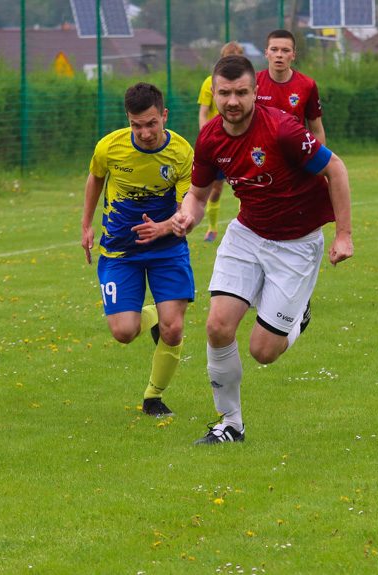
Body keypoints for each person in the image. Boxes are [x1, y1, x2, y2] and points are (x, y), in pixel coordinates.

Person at [172, 55, 353, 445]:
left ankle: (297, 317)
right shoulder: (208, 138)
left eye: (241, 92)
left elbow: (335, 168)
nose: (232, 101)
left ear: (255, 91)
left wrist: (344, 234)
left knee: (263, 351)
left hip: (297, 245)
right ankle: (230, 425)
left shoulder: (283, 129)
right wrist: (188, 215)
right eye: (224, 93)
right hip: (248, 234)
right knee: (217, 327)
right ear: (214, 93)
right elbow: (197, 196)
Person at [81, 82, 195, 417]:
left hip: (168, 248)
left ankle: (153, 397)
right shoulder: (110, 147)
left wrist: (162, 228)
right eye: (136, 125)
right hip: (120, 250)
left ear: (164, 116)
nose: (144, 132)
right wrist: (87, 225)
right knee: (124, 332)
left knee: (173, 328)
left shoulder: (182, 153)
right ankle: (157, 314)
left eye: (151, 123)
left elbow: (187, 207)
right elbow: (95, 177)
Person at [197, 41, 244, 242]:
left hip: (241, 144)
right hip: (219, 145)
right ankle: (213, 228)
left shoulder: (246, 83)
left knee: (247, 187)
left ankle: (249, 227)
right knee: (214, 190)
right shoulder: (210, 82)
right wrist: (207, 137)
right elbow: (203, 113)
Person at [256, 29, 325, 146]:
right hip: (263, 154)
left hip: (295, 155)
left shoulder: (307, 85)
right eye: (274, 49)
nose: (279, 55)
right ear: (266, 53)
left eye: (285, 50)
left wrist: (320, 162)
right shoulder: (253, 83)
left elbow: (316, 130)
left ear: (293, 55)